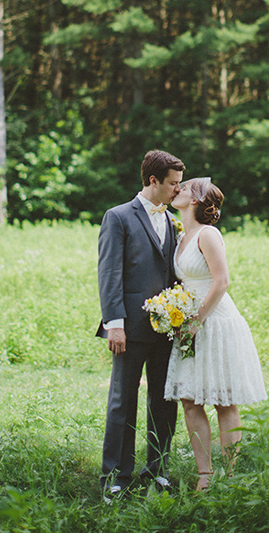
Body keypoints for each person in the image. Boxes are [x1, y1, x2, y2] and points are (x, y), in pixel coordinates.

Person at [164, 177, 267, 491]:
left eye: (183, 188)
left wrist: (197, 320)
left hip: (216, 321)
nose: (176, 189)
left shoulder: (208, 234)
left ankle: (232, 475)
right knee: (189, 400)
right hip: (189, 323)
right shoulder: (182, 235)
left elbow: (222, 281)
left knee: (224, 399)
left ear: (195, 200)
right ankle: (205, 476)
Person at [97, 149, 185, 501]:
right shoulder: (118, 217)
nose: (178, 190)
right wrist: (114, 323)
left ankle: (158, 469)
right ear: (153, 181)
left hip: (167, 328)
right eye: (173, 184)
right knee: (123, 400)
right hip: (129, 328)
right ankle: (116, 476)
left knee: (164, 400)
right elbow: (109, 273)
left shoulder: (172, 219)